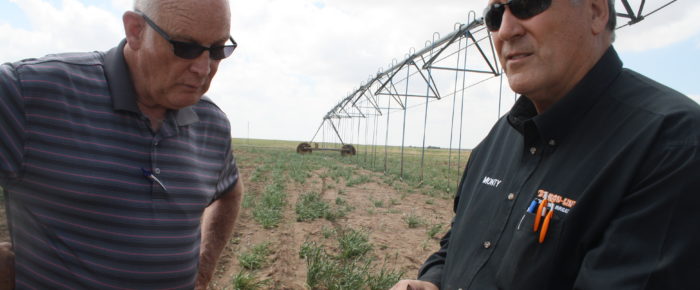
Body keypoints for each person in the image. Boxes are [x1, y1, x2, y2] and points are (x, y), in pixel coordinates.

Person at [391, 0, 700, 289]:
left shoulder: (670, 141)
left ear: (595, 12)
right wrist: (433, 279)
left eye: (528, 5)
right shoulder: (500, 136)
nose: (506, 31)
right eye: (495, 16)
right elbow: (458, 241)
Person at [0, 0, 243, 288]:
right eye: (185, 47)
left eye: (217, 50)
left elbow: (230, 192)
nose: (203, 69)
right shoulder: (29, 93)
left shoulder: (212, 124)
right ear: (136, 30)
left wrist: (202, 273)